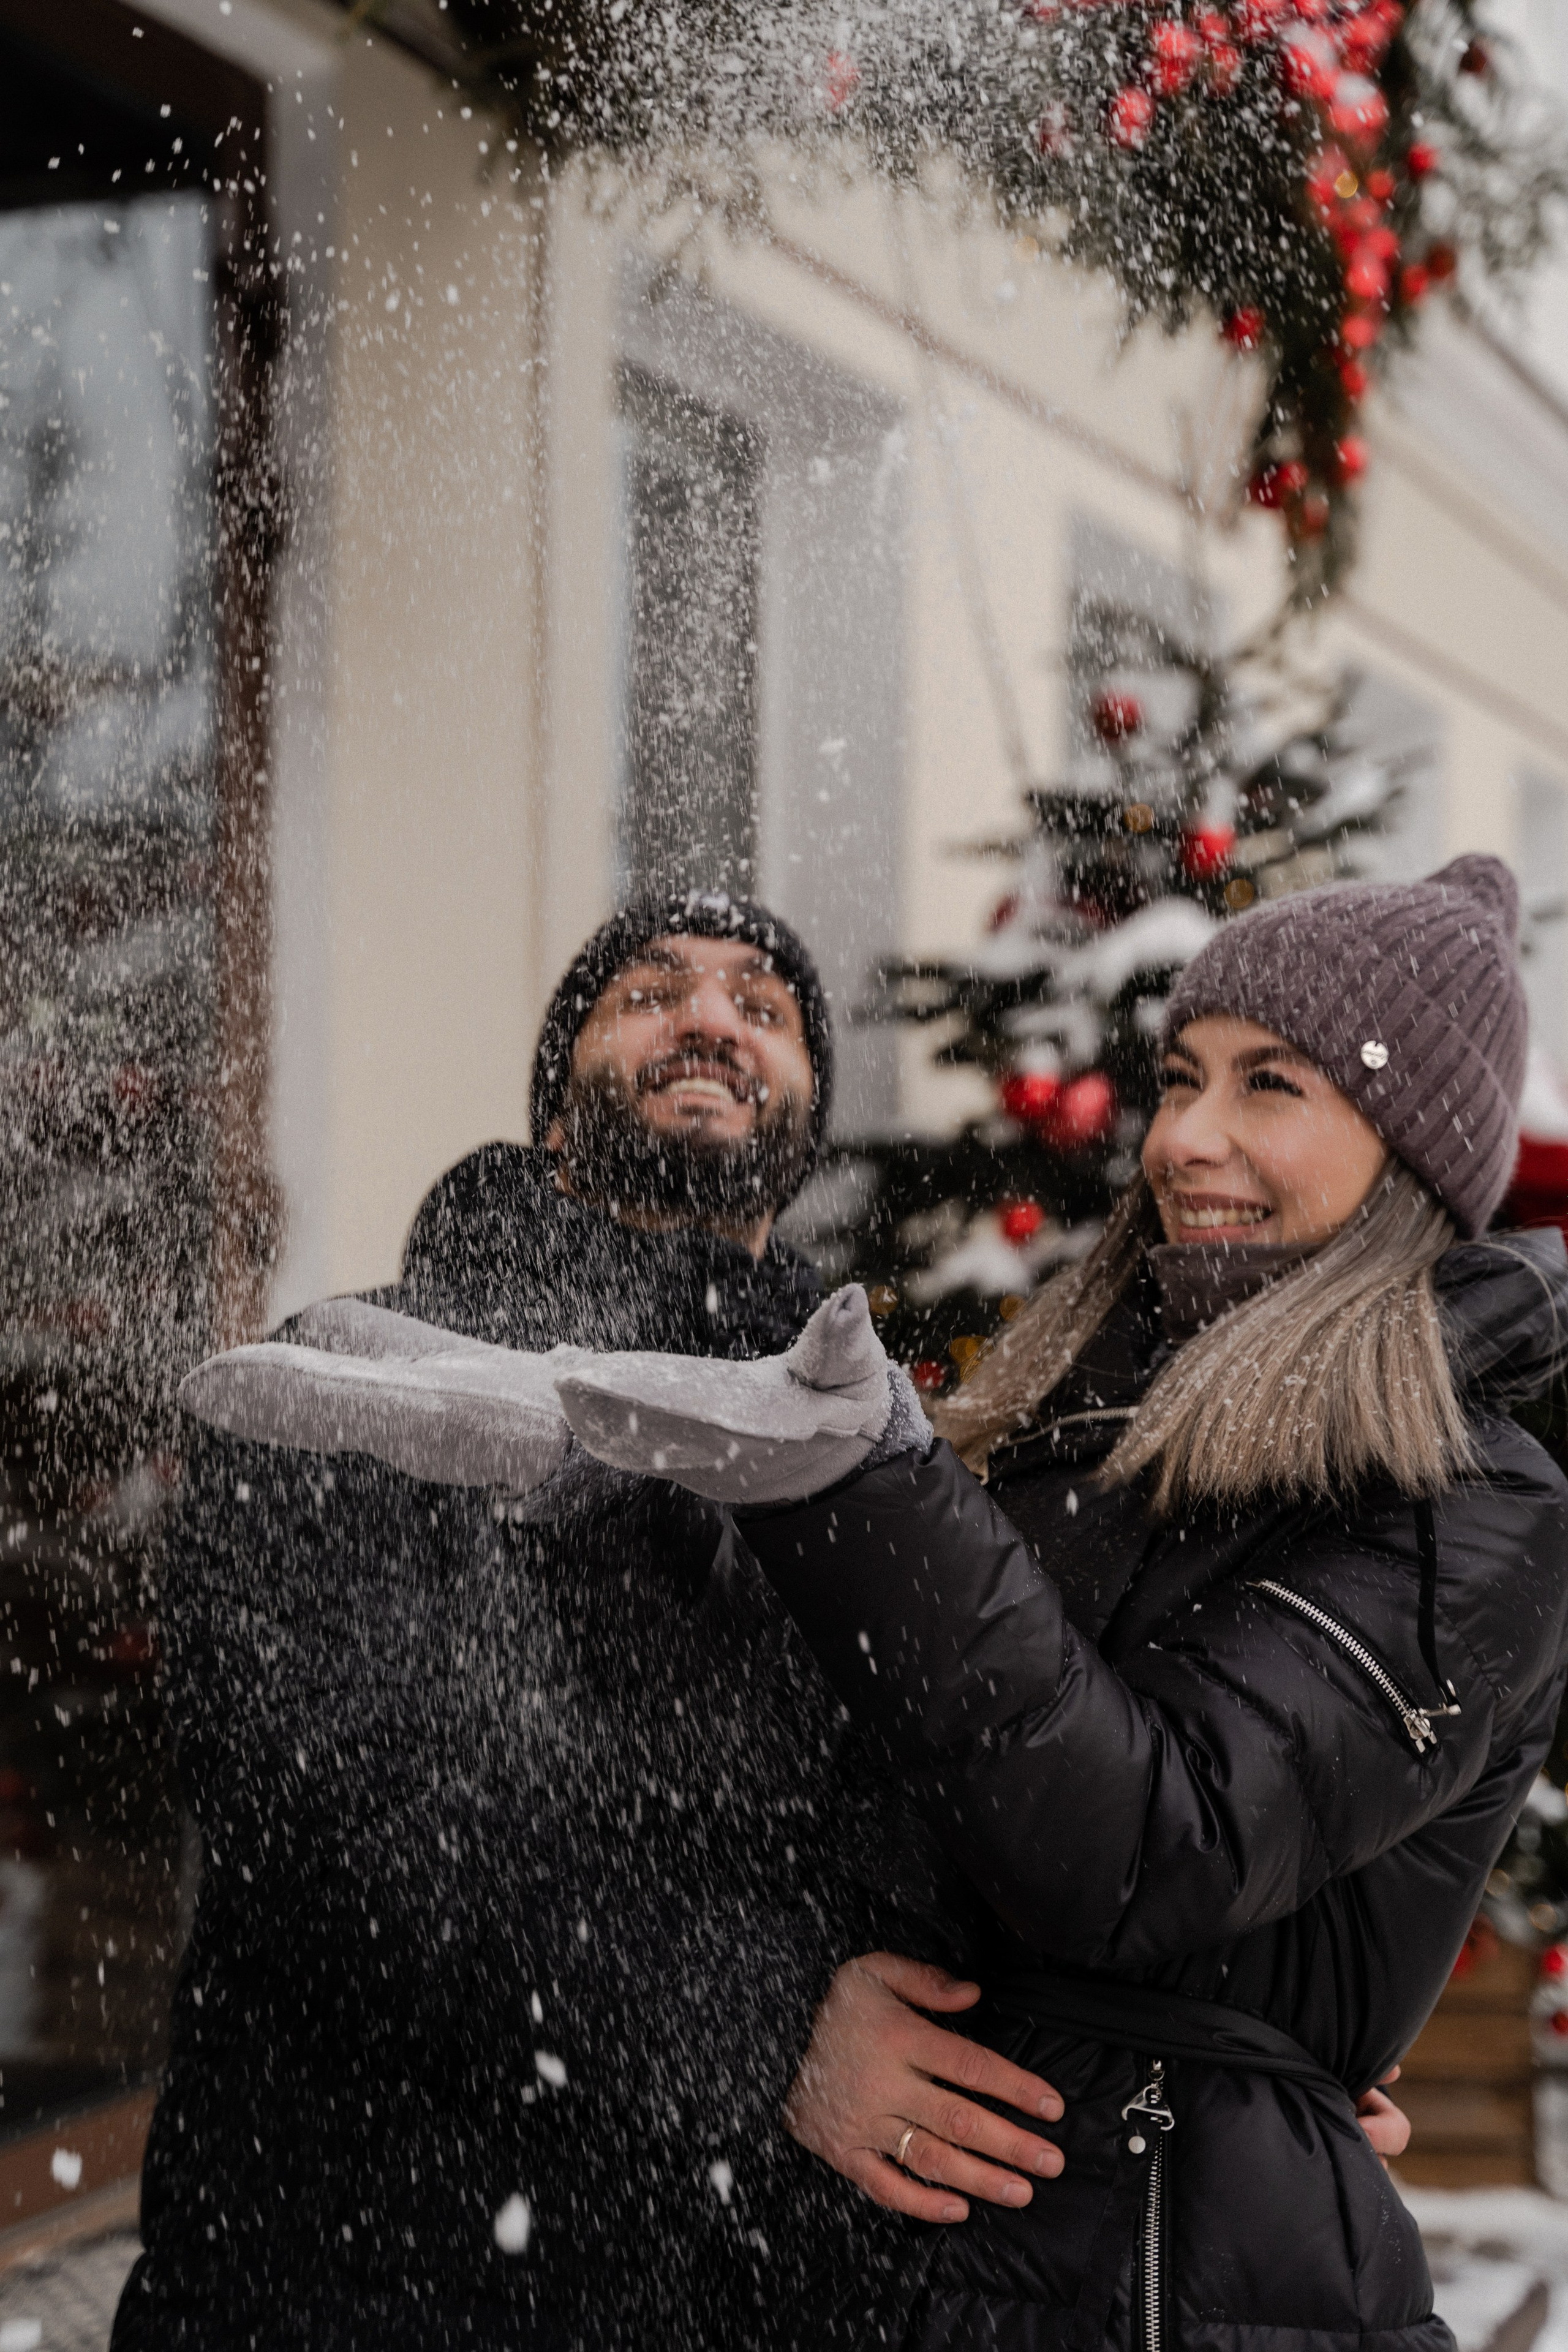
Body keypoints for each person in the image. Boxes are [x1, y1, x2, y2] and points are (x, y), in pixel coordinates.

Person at [549, 856, 1568, 2352]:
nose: (1186, 1140)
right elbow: (865, 1775)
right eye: (1180, 1077)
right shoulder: (1081, 1413)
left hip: (1163, 2288)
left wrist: (861, 1485)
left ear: (1408, 1153)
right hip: (928, 2263)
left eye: (1268, 1086)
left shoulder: (1467, 1499)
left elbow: (1141, 1849)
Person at [116, 888, 1071, 2352]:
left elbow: (989, 1779)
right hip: (370, 2270)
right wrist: (753, 2032)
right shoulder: (363, 1370)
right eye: (652, 991)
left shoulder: (857, 1455)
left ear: (799, 1134)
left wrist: (1246, 2056)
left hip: (749, 2293)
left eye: (761, 1006)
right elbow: (330, 1787)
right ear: (555, 1119)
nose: (710, 1016)